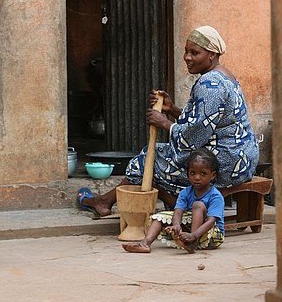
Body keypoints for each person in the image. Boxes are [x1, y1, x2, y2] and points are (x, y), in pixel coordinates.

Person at [79, 25, 259, 216]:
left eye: (195, 53)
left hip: (225, 164)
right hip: (242, 158)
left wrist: (164, 122)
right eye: (186, 51)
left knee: (149, 159)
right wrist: (172, 109)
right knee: (155, 157)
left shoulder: (210, 84)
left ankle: (110, 202)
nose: (187, 57)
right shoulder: (224, 76)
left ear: (212, 55)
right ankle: (108, 202)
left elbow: (192, 138)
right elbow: (206, 124)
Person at [122, 148, 225, 253]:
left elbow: (211, 221)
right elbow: (178, 211)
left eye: (203, 174)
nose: (197, 177)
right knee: (159, 217)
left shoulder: (215, 196)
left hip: (212, 235)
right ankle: (145, 243)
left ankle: (192, 243)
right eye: (193, 173)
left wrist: (193, 235)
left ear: (212, 175)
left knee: (198, 205)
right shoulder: (185, 192)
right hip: (190, 231)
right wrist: (176, 225)